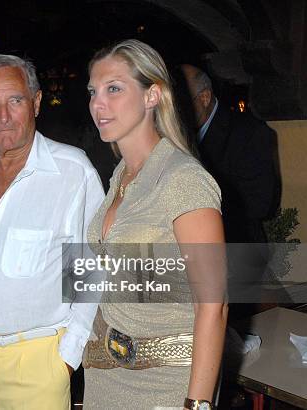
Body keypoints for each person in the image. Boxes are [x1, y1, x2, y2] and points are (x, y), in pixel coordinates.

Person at [83, 40, 228, 409]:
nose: (98, 104)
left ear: (152, 96)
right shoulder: (120, 175)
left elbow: (214, 305)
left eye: (114, 89)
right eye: (93, 91)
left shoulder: (182, 179)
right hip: (107, 374)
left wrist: (197, 404)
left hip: (166, 383)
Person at [0, 54, 104, 409]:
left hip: (38, 365)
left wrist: (67, 359)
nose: (3, 116)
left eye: (15, 100)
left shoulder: (72, 171)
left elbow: (95, 269)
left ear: (36, 103)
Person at [179, 64, 279, 244]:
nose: (174, 111)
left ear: (204, 97)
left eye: (181, 103)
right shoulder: (176, 137)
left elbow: (260, 204)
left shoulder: (250, 132)